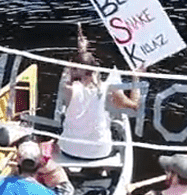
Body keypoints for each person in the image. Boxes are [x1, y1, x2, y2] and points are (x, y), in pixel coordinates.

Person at [58, 28, 139, 164]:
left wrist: (82, 51)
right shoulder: (108, 88)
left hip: (69, 150)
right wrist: (136, 77)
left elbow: (70, 70)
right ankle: (104, 170)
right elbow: (134, 106)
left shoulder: (67, 89)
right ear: (95, 70)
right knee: (116, 127)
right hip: (100, 152)